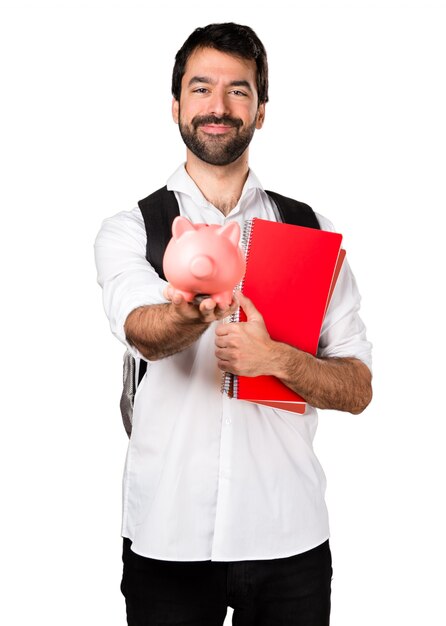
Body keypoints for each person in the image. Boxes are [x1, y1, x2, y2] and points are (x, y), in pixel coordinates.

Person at [95, 22, 372, 626]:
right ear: (175, 106)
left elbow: (358, 387)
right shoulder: (134, 229)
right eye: (200, 89)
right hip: (167, 535)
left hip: (287, 535)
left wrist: (276, 358)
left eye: (238, 90)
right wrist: (193, 308)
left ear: (261, 111)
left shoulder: (311, 234)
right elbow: (142, 327)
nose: (218, 107)